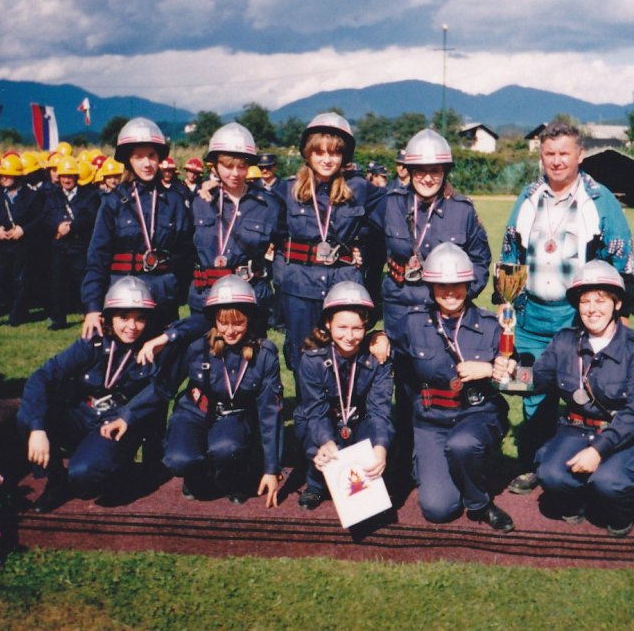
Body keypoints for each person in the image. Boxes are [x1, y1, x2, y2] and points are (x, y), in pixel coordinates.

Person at [499, 119, 634, 495]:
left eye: (565, 153)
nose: (557, 161)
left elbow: (621, 257)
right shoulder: (528, 197)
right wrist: (505, 303)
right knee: (531, 390)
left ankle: (591, 463)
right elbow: (510, 251)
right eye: (550, 154)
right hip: (531, 314)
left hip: (577, 315)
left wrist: (619, 313)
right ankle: (535, 463)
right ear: (541, 156)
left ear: (580, 154)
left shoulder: (600, 200)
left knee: (586, 392)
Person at [382, 129, 492, 492]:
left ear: (446, 171)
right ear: (406, 171)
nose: (427, 177)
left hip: (442, 313)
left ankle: (444, 459)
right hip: (400, 305)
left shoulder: (462, 211)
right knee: (401, 385)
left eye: (436, 170)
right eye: (419, 170)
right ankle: (400, 460)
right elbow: (365, 250)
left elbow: (480, 260)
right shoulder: (390, 202)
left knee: (440, 383)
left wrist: (460, 296)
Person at [532, 260, 634, 537]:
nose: (592, 309)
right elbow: (537, 378)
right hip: (578, 428)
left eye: (601, 300)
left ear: (617, 304)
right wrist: (502, 372)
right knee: (550, 475)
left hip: (628, 435)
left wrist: (597, 451)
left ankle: (624, 509)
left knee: (609, 482)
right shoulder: (565, 341)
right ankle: (577, 501)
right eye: (585, 301)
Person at [18, 276, 165, 513]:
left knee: (83, 476)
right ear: (109, 318)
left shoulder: (152, 349)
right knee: (30, 413)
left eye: (140, 319)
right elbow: (41, 377)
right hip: (83, 413)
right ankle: (56, 481)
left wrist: (127, 416)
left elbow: (158, 392)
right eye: (124, 317)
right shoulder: (92, 343)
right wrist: (37, 429)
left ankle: (113, 469)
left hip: (115, 422)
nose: (132, 326)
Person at [399, 242, 516, 530]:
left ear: (468, 284)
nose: (450, 292)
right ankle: (435, 466)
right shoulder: (413, 323)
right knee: (438, 509)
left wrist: (490, 369)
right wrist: (376, 341)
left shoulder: (492, 325)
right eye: (442, 286)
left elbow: (523, 379)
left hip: (476, 414)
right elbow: (395, 367)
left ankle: (480, 502)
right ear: (430, 286)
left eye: (457, 285)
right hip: (431, 421)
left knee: (462, 444)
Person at [274, 112, 386, 399]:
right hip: (299, 288)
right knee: (303, 360)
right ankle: (311, 434)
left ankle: (346, 426)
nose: (327, 159)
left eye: (335, 153)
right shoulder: (285, 189)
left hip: (343, 285)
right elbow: (264, 228)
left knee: (346, 355)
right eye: (319, 152)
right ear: (307, 153)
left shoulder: (359, 188)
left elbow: (396, 206)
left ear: (345, 156)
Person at [162, 275, 284, 506]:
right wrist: (128, 416)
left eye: (238, 323)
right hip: (195, 412)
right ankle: (197, 472)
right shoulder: (197, 346)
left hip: (233, 416)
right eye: (223, 322)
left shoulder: (264, 353)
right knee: (178, 460)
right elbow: (162, 387)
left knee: (226, 448)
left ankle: (235, 474)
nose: (230, 331)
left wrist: (271, 469)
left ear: (250, 320)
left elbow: (270, 413)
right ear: (214, 321)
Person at [82, 117, 192, 341]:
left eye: (151, 156)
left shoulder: (175, 200)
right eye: (139, 157)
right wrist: (93, 308)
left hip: (162, 294)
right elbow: (97, 256)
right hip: (122, 293)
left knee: (162, 360)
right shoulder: (113, 202)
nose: (147, 163)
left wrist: (173, 287)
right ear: (128, 160)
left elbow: (187, 252)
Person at [294, 281, 393, 510]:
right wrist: (326, 442)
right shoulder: (313, 359)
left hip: (358, 420)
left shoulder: (377, 357)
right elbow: (315, 411)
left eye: (357, 328)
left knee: (376, 444)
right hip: (324, 419)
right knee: (317, 444)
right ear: (328, 324)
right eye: (342, 327)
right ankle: (315, 484)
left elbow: (380, 409)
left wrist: (380, 446)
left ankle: (365, 485)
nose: (349, 336)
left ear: (366, 326)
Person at [187, 123, 280, 317]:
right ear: (214, 166)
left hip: (250, 296)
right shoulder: (199, 201)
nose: (235, 173)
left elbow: (286, 243)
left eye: (242, 166)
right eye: (227, 166)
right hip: (206, 297)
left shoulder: (268, 205)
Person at [0, 156, 44, 329]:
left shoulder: (32, 196)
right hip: (1, 245)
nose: (3, 178)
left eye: (8, 174)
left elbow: (40, 218)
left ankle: (17, 315)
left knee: (20, 281)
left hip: (22, 245)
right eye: (2, 174)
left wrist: (23, 229)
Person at [44, 156, 100, 330]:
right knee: (58, 283)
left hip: (79, 246)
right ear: (59, 177)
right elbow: (45, 216)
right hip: (59, 246)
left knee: (83, 282)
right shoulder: (52, 196)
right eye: (64, 176)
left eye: (71, 176)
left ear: (77, 177)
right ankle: (59, 319)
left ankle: (89, 315)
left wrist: (71, 227)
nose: (67, 180)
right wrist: (57, 226)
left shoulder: (89, 195)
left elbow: (90, 217)